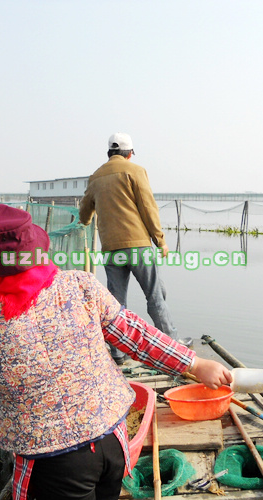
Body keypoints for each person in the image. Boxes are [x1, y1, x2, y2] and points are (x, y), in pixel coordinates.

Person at [0, 203, 232, 500]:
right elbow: (136, 335)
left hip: (56, 460)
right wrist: (195, 364)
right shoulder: (79, 285)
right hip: (112, 439)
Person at [79, 133, 178, 365]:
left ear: (109, 153)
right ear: (130, 154)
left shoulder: (95, 176)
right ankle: (171, 346)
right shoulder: (136, 171)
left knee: (116, 303)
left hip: (111, 248)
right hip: (138, 245)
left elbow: (85, 211)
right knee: (155, 296)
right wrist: (160, 240)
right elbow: (148, 207)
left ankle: (117, 353)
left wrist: (85, 221)